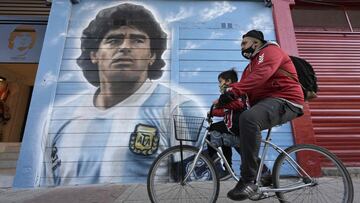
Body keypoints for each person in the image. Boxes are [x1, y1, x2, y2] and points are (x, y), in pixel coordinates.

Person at [44, 3, 204, 186]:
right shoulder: (58, 117)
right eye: (114, 40)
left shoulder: (178, 109)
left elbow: (199, 187)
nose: (125, 47)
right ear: (94, 54)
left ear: (152, 55)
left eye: (137, 40)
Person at [217, 30, 304, 201]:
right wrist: (221, 103)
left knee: (248, 118)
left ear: (255, 43)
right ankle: (264, 175)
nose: (242, 47)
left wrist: (234, 90)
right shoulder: (249, 67)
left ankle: (248, 180)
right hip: (268, 103)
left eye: (244, 43)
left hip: (286, 100)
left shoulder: (270, 51)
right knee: (237, 126)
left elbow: (262, 73)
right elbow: (244, 93)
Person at [206, 69, 245, 180]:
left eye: (220, 81)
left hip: (234, 125)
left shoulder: (232, 90)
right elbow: (226, 111)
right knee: (225, 142)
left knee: (211, 131)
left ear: (228, 81)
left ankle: (216, 163)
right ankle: (227, 169)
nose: (219, 84)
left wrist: (220, 102)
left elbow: (238, 105)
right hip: (233, 125)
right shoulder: (231, 91)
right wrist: (213, 112)